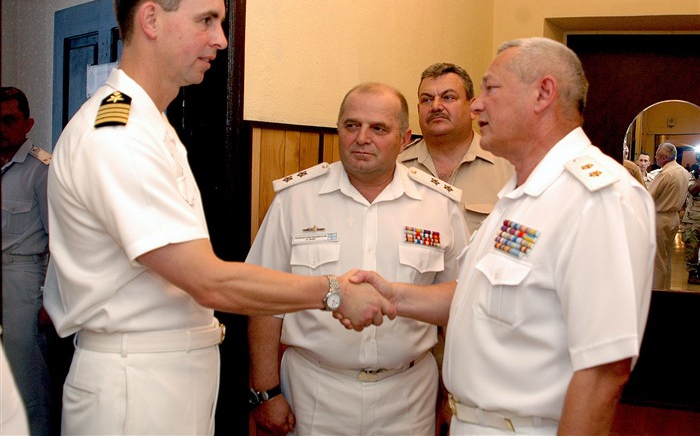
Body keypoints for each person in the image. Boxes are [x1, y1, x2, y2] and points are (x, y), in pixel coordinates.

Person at [42, 0, 392, 435]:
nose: (221, 40)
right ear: (151, 19)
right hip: (136, 385)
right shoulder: (119, 134)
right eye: (206, 20)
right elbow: (207, 280)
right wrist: (332, 292)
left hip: (166, 375)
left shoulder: (151, 125)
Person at [342, 37, 655, 435]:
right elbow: (474, 295)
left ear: (543, 93)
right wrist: (392, 294)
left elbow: (603, 372)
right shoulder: (520, 193)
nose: (476, 105)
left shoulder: (597, 198)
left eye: (490, 89)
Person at [247, 82, 470, 435]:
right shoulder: (296, 200)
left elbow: (460, 308)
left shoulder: (438, 206)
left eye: (378, 128)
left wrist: (455, 394)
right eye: (352, 125)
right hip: (315, 390)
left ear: (405, 138)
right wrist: (264, 392)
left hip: (409, 395)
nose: (362, 137)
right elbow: (263, 299)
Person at [399, 62, 513, 234]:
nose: (436, 106)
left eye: (448, 97)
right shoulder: (395, 167)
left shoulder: (509, 169)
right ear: (418, 109)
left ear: (473, 109)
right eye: (427, 99)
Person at [1, 86, 52, 436]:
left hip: (23, 279)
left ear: (27, 123)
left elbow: (61, 242)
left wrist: (51, 299)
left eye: (9, 120)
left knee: (24, 380)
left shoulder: (41, 170)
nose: (1, 128)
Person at [647, 142, 690, 289]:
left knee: (657, 259)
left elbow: (648, 196)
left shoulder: (665, 174)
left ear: (664, 157)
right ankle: (666, 288)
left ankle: (657, 291)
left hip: (660, 217)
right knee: (666, 257)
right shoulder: (684, 172)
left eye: (657, 155)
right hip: (674, 217)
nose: (655, 158)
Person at [681, 168, 700, 285]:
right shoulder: (692, 175)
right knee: (692, 247)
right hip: (693, 219)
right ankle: (692, 274)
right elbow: (693, 190)